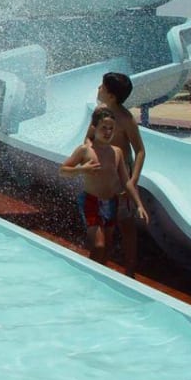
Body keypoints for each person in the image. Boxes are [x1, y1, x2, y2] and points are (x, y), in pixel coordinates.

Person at [62, 107, 148, 267]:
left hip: (111, 202)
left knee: (107, 247)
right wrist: (81, 169)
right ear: (94, 128)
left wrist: (139, 205)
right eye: (104, 128)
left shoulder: (117, 152)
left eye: (111, 129)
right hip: (91, 201)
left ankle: (99, 278)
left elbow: (126, 181)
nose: (108, 132)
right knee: (98, 245)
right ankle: (90, 274)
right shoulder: (85, 151)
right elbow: (63, 170)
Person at [86, 71, 146, 277]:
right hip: (103, 176)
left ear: (111, 96)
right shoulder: (100, 111)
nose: (98, 88)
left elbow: (140, 150)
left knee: (126, 223)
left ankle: (130, 271)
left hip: (122, 178)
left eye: (102, 86)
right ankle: (102, 266)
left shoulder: (125, 119)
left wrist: (133, 180)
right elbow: (88, 138)